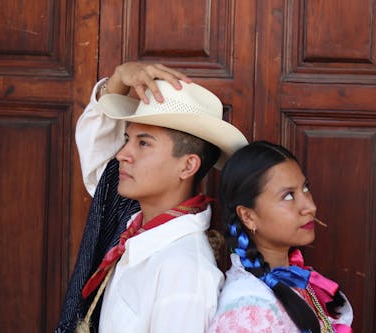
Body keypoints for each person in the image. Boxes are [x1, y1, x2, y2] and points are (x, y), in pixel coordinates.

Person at [55, 62, 248, 333]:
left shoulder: (185, 274)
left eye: (143, 143)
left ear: (187, 166)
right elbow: (97, 151)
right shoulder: (132, 219)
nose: (122, 154)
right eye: (126, 139)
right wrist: (119, 79)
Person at [208, 141, 353, 333]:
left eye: (306, 188)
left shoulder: (297, 280)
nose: (310, 207)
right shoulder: (248, 313)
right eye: (288, 196)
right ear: (248, 217)